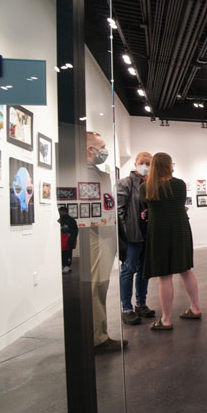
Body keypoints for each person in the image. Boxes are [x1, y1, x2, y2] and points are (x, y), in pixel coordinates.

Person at [140, 152, 202, 330]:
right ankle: (195, 308)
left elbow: (147, 205)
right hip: (180, 230)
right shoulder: (179, 184)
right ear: (169, 165)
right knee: (186, 270)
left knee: (165, 276)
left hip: (159, 231)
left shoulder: (146, 187)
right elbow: (178, 203)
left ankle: (166, 319)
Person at [86, 131, 127, 352]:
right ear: (91, 149)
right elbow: (94, 207)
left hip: (101, 233)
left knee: (99, 285)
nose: (104, 150)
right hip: (96, 234)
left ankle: (97, 335)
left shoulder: (94, 172)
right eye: (101, 146)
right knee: (96, 285)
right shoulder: (86, 172)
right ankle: (97, 338)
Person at [117, 151, 155, 325]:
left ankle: (141, 304)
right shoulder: (125, 183)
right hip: (132, 236)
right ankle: (126, 308)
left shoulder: (152, 185)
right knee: (128, 270)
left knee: (144, 271)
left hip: (148, 234)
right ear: (136, 163)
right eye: (143, 162)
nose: (145, 166)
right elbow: (119, 212)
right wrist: (126, 234)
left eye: (149, 163)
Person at [58, 205, 78, 273]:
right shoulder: (60, 220)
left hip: (67, 240)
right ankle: (64, 266)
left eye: (60, 212)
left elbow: (74, 231)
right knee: (63, 254)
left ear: (63, 212)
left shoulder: (71, 220)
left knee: (67, 254)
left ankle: (67, 266)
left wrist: (71, 240)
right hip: (62, 240)